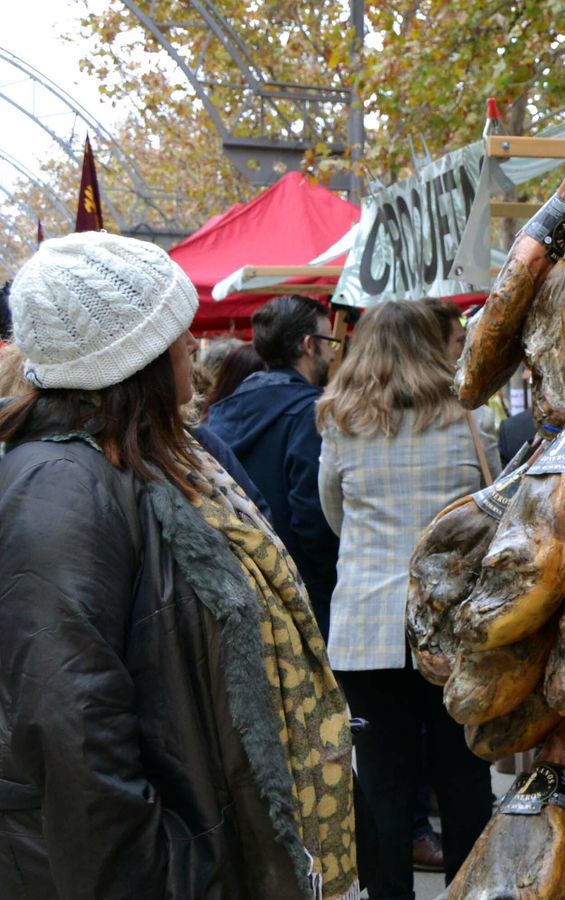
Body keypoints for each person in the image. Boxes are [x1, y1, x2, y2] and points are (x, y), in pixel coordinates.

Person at [0, 232, 358, 897]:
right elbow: (73, 731)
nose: (192, 344)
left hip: (198, 841)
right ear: (138, 355)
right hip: (159, 868)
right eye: (177, 331)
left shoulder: (156, 461)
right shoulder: (63, 484)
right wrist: (181, 873)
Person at [317, 300, 497, 896]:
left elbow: (334, 516)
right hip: (453, 624)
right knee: (464, 776)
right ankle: (467, 889)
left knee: (382, 783)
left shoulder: (340, 424)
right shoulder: (471, 417)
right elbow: (493, 511)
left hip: (367, 624)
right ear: (432, 344)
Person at [208, 294, 341, 634]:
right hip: (299, 597)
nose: (333, 352)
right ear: (309, 345)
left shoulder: (224, 410)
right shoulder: (310, 413)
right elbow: (313, 518)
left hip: (237, 588)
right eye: (329, 341)